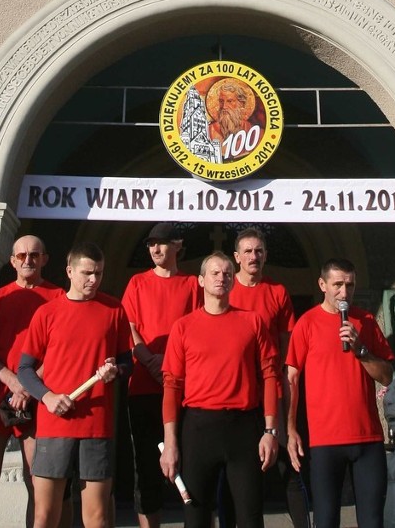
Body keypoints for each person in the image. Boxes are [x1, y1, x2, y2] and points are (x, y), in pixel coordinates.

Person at [160, 251, 279, 528]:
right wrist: (171, 442)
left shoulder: (253, 321)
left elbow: (270, 376)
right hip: (198, 428)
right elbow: (172, 385)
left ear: (233, 281)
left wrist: (270, 431)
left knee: (249, 517)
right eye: (214, 273)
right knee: (196, 517)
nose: (221, 278)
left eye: (227, 273)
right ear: (201, 280)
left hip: (243, 427)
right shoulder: (183, 327)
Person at [17, 242, 132, 528]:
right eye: (87, 273)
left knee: (97, 517)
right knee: (45, 515)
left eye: (99, 274)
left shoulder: (114, 310)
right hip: (54, 424)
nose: (93, 280)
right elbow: (25, 370)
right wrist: (47, 397)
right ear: (70, 271)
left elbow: (126, 363)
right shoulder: (47, 313)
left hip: (97, 426)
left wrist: (115, 371)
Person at [285, 257, 394, 528]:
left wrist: (361, 351)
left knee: (372, 520)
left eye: (350, 285)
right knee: (326, 520)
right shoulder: (307, 323)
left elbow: (387, 375)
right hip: (325, 440)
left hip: (367, 438)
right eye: (337, 285)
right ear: (322, 284)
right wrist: (289, 429)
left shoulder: (365, 321)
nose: (344, 292)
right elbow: (292, 379)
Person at [0, 235, 63, 528]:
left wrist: (30, 386)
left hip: (38, 403)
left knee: (37, 481)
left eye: (34, 255)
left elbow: (60, 349)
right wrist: (12, 381)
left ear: (44, 259)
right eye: (21, 255)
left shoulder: (59, 297)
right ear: (12, 261)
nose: (27, 260)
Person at [226, 229, 308, 528]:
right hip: (235, 392)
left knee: (289, 467)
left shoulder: (277, 291)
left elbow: (287, 346)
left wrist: (287, 389)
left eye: (258, 251)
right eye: (247, 251)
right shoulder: (224, 289)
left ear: (265, 255)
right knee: (240, 472)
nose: (253, 257)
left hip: (272, 388)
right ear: (236, 257)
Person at [122, 224, 201, 528]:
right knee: (146, 467)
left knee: (191, 466)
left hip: (185, 389)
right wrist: (150, 361)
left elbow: (198, 327)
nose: (155, 250)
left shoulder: (193, 284)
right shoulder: (137, 283)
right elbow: (128, 327)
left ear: (178, 246)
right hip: (143, 387)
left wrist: (169, 364)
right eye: (151, 244)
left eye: (161, 244)